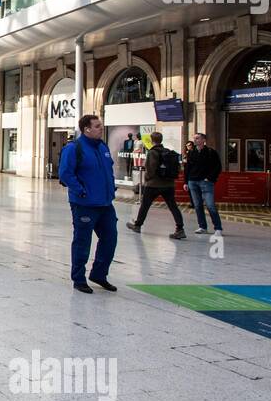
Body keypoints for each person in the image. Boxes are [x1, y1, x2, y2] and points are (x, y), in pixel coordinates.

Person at [58, 113, 119, 294]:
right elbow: (65, 174)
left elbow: (108, 169)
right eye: (98, 126)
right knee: (82, 242)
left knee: (110, 238)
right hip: (84, 204)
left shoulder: (102, 147)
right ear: (87, 129)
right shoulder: (74, 148)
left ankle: (99, 274)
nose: (101, 128)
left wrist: (111, 187)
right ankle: (79, 278)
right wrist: (81, 191)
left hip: (105, 203)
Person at [126, 131, 186, 239]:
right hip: (168, 184)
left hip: (153, 184)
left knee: (145, 205)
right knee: (173, 206)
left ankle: (138, 225)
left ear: (151, 140)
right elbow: (178, 168)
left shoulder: (153, 152)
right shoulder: (168, 151)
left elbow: (150, 169)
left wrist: (147, 179)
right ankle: (180, 228)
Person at [183, 132, 223, 235]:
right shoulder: (191, 153)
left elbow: (217, 167)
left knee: (210, 205)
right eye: (194, 138)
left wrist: (209, 178)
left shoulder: (211, 152)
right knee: (197, 205)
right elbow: (187, 168)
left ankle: (218, 228)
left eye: (197, 138)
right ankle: (202, 226)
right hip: (192, 181)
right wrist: (186, 181)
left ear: (203, 140)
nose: (195, 140)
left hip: (206, 182)